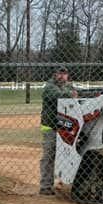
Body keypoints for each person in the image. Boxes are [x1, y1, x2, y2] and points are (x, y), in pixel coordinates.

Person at [39, 65, 78, 195]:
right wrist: (70, 94)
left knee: (67, 155)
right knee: (49, 156)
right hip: (51, 127)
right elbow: (58, 96)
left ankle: (65, 183)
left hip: (66, 127)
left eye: (64, 74)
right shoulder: (49, 86)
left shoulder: (68, 86)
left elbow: (75, 95)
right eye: (59, 74)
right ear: (55, 74)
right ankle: (45, 186)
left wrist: (71, 93)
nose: (62, 76)